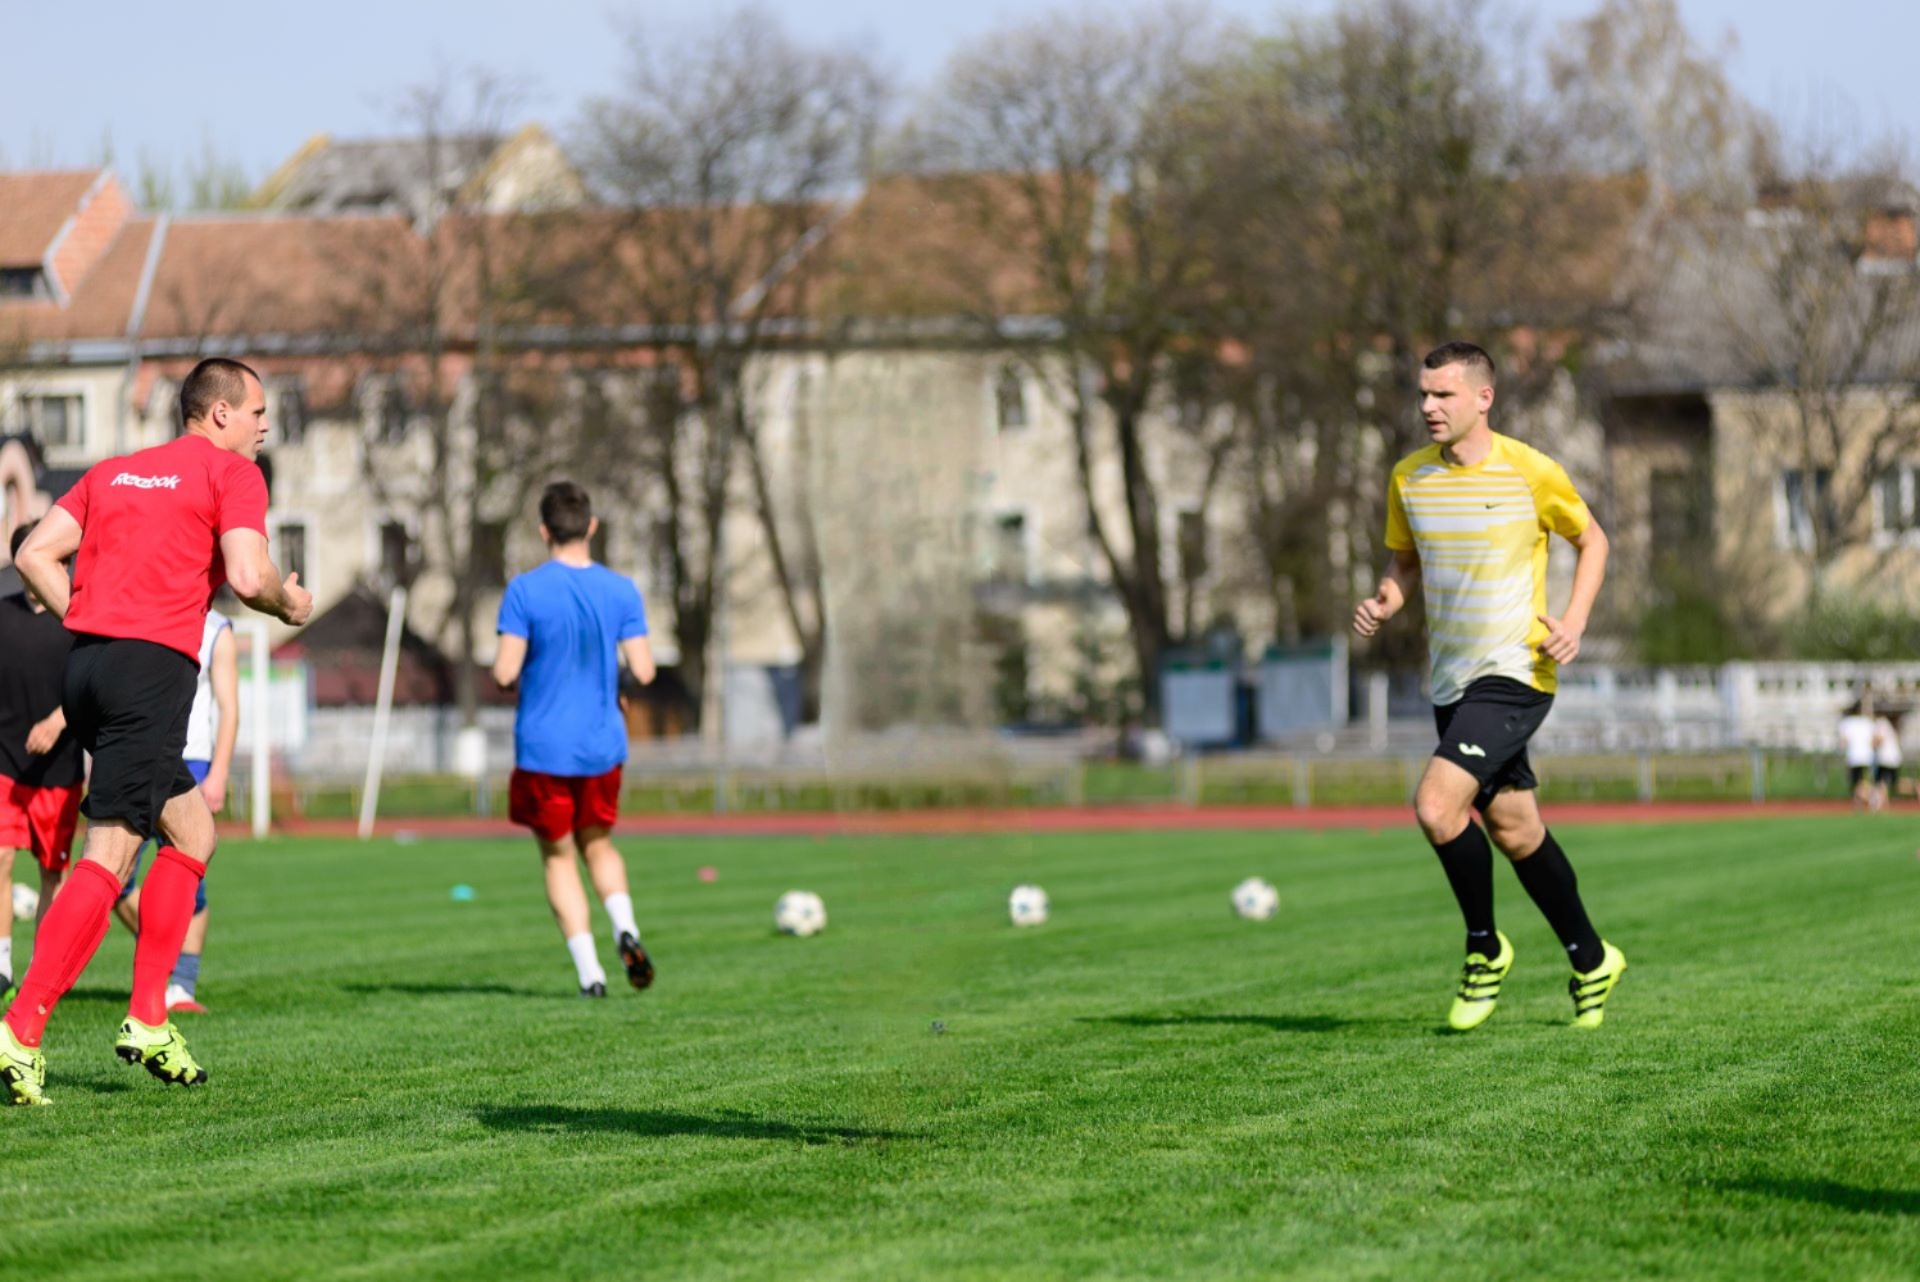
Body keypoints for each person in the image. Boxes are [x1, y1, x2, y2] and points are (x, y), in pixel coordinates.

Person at [1, 358, 310, 1107]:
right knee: (109, 855)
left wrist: (90, 619)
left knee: (193, 833)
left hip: (88, 670)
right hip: (149, 676)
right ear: (220, 414)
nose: (266, 424)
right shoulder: (233, 473)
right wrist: (289, 604)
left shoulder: (113, 471)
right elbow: (247, 575)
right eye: (258, 411)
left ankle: (148, 1017)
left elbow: (32, 553)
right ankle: (20, 1028)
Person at [1353, 341, 1626, 1032]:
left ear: (1483, 398)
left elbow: (1593, 540)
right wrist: (1386, 600)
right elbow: (1405, 561)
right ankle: (1593, 958)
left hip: (1516, 673)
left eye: (1443, 394)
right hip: (1451, 682)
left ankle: (1484, 949)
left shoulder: (1531, 470)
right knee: (1514, 828)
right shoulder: (1409, 477)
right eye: (1423, 393)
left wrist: (1574, 621)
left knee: (1436, 806)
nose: (1428, 406)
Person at [492, 481, 657, 998]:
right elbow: (645, 670)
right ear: (592, 526)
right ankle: (625, 926)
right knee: (599, 846)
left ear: (544, 531)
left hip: (544, 749)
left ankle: (591, 975)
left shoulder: (525, 590)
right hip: (602, 745)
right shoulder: (621, 589)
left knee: (560, 857)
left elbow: (504, 672)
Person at [114, 607, 240, 1014]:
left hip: (193, 762)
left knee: (189, 881)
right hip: (138, 758)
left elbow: (229, 707)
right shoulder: (145, 611)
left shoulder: (217, 629)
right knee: (115, 878)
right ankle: (162, 955)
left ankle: (182, 986)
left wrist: (218, 773)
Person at [0, 521, 84, 993]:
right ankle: (2, 966)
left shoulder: (80, 619)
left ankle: (43, 971)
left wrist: (58, 721)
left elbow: (94, 687)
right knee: (0, 859)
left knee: (53, 871)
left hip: (59, 770)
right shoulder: (3, 615)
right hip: (5, 764)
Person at [1838, 699, 1876, 811]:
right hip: (1867, 756)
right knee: (1864, 781)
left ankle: (1865, 801)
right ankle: (1867, 800)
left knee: (1856, 782)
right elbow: (1874, 740)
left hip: (1853, 756)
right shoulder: (1867, 722)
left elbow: (1844, 741)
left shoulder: (1847, 722)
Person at [1872, 707, 1902, 811]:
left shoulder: (1881, 723)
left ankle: (1882, 805)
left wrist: (1871, 744)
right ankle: (1884, 804)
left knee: (1882, 782)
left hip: (1886, 758)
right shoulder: (1886, 723)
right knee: (1889, 782)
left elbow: (1879, 739)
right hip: (1892, 757)